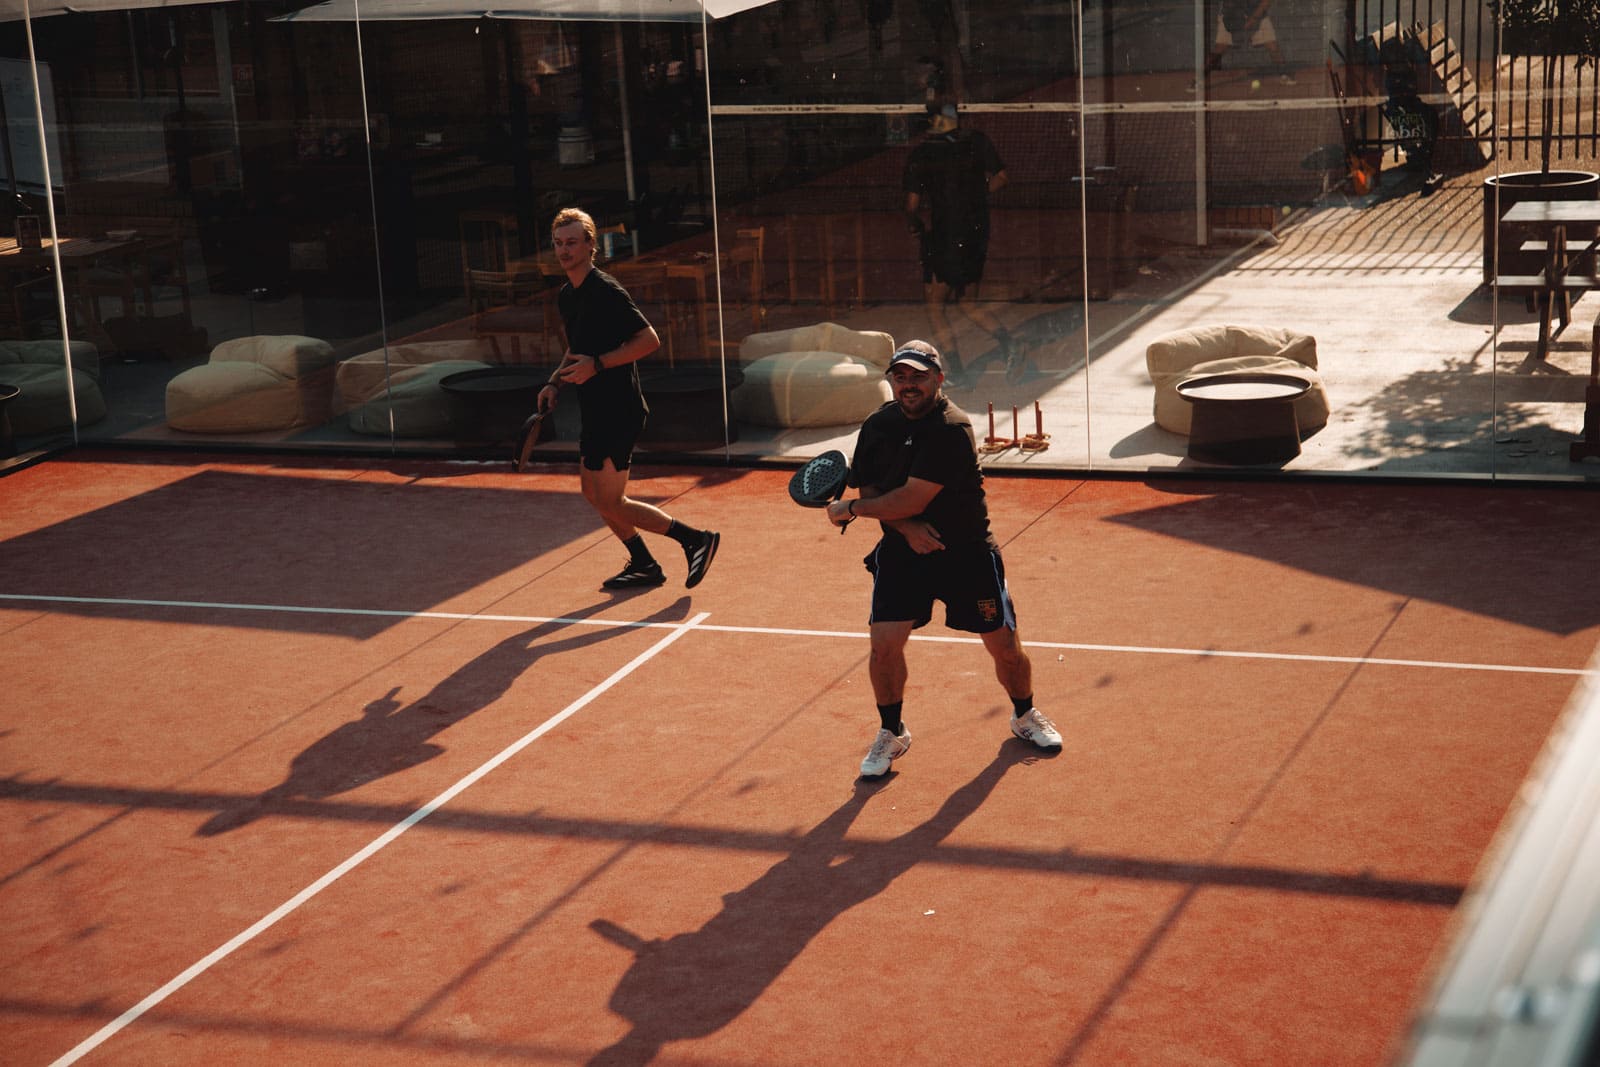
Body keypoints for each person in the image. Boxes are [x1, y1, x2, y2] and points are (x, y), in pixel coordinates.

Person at [824, 339, 1062, 778]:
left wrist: (851, 510)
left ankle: (1024, 715)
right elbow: (875, 491)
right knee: (883, 647)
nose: (909, 384)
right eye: (900, 376)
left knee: (1005, 648)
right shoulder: (878, 425)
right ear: (892, 381)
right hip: (902, 554)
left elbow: (910, 496)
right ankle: (891, 732)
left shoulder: (951, 428)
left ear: (938, 378)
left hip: (965, 554)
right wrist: (907, 528)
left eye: (918, 376)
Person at [535, 207, 720, 591]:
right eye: (558, 244)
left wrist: (598, 366)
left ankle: (695, 539)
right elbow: (577, 348)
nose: (564, 250)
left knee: (612, 500)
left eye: (572, 242)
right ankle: (643, 563)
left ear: (590, 245)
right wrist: (555, 382)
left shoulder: (606, 291)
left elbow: (649, 340)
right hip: (594, 406)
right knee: (593, 493)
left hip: (619, 407)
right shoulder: (568, 296)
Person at [902, 102, 1024, 386]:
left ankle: (957, 371)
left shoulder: (921, 154)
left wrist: (914, 224)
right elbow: (1002, 178)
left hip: (943, 237)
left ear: (930, 122)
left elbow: (911, 204)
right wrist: (974, 199)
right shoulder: (977, 141)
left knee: (935, 304)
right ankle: (1010, 344)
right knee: (968, 300)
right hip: (976, 234)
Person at [1194, 0, 1296, 87]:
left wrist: (1253, 19)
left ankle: (1284, 74)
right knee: (1220, 48)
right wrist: (1238, 25)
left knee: (1272, 45)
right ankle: (1199, 80)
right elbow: (1229, 6)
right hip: (1232, 14)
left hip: (1256, 13)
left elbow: (1266, 2)